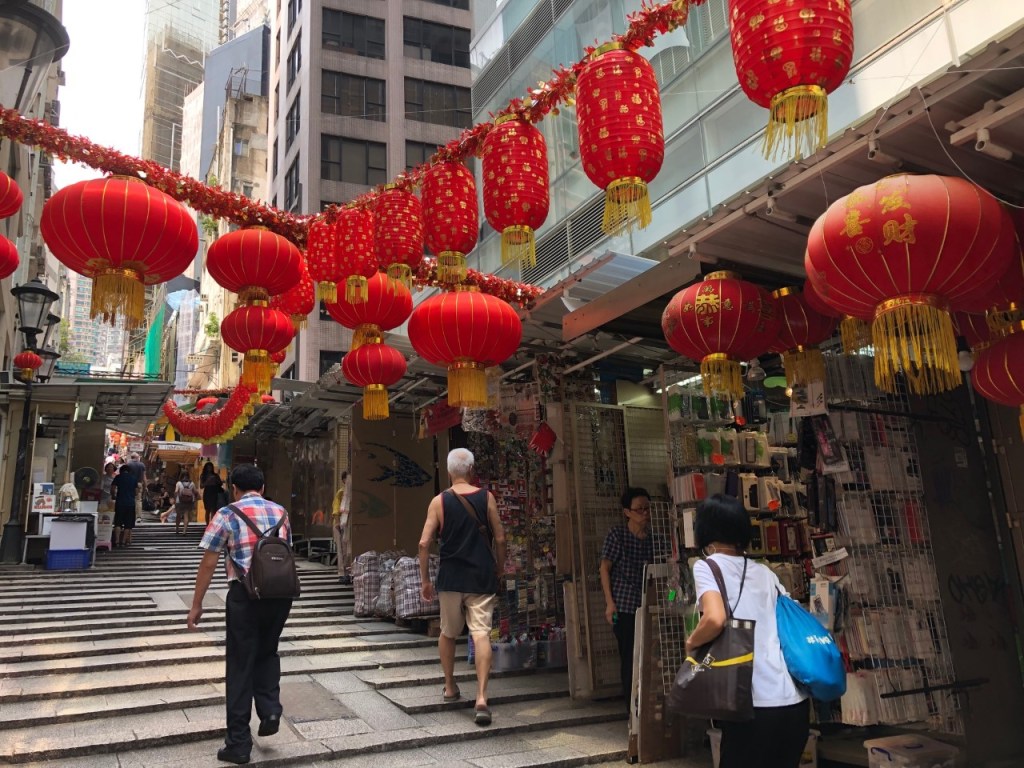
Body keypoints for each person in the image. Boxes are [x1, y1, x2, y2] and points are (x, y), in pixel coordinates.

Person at [686, 494, 808, 768]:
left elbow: (715, 619)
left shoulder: (707, 566)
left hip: (752, 704)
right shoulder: (766, 572)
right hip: (794, 704)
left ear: (705, 530)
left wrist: (691, 643)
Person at [187, 463, 293, 765]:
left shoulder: (227, 514)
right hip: (279, 594)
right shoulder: (281, 513)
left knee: (240, 664)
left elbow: (209, 561)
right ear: (262, 487)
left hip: (245, 596)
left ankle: (238, 744)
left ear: (234, 489)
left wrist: (197, 604)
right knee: (268, 651)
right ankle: (270, 709)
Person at [418, 448, 506, 727]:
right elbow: (500, 538)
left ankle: (450, 686)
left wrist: (425, 580)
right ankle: (481, 697)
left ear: (448, 472)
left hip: (451, 578)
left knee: (448, 632)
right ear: (471, 470)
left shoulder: (438, 501)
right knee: (481, 634)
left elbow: (423, 543)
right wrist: (500, 567)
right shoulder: (486, 497)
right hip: (480, 577)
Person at [599, 487, 655, 707]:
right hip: (624, 607)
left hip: (649, 605)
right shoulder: (617, 535)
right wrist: (609, 603)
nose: (645, 513)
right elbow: (604, 568)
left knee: (650, 656)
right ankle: (631, 708)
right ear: (627, 512)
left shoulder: (654, 539)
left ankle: (648, 706)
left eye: (647, 508)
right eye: (639, 509)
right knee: (630, 656)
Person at [110, 464, 140, 547]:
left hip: (120, 503)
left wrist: (113, 496)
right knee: (128, 524)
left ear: (121, 471)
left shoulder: (118, 477)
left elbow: (112, 489)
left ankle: (117, 541)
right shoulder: (133, 478)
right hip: (130, 504)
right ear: (129, 471)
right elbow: (136, 492)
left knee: (118, 523)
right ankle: (123, 541)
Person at [332, 471, 352, 584]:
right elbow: (336, 509)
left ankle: (347, 572)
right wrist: (337, 523)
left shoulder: (350, 493)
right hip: (339, 524)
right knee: (341, 551)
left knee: (347, 550)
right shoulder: (341, 493)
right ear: (344, 480)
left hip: (347, 524)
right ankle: (342, 573)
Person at [125, 452, 148, 521]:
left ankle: (129, 515)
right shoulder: (142, 465)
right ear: (137, 457)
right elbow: (144, 477)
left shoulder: (128, 464)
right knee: (138, 500)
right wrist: (146, 486)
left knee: (129, 499)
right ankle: (138, 517)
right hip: (138, 484)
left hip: (129, 483)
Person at [175, 470, 198, 535]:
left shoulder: (178, 483)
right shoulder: (192, 483)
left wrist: (175, 497)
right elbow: (195, 492)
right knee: (186, 515)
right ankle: (184, 531)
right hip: (188, 501)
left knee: (178, 515)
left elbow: (176, 491)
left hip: (179, 501)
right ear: (188, 476)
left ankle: (177, 529)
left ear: (181, 476)